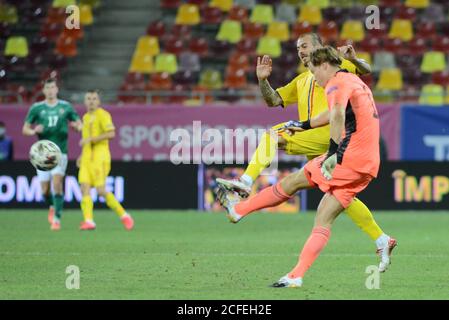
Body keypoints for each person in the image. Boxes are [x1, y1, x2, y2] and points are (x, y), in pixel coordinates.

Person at [217, 46, 397, 287]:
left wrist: (333, 154)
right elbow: (335, 113)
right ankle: (296, 275)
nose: (315, 79)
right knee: (323, 217)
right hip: (368, 162)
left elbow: (336, 117)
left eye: (314, 71)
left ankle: (239, 210)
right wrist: (302, 124)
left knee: (293, 182)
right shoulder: (351, 79)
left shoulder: (335, 83)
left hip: (348, 155)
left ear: (323, 64)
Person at [22, 79, 82, 231]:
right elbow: (25, 129)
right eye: (47, 88)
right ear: (43, 90)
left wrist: (77, 126)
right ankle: (51, 206)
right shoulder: (37, 108)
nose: (50, 90)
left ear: (57, 89)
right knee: (44, 190)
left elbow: (79, 123)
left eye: (52, 87)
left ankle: (57, 219)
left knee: (57, 184)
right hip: (42, 154)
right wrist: (34, 131)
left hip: (60, 152)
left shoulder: (65, 106)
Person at [77, 90, 134, 231]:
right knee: (84, 188)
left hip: (100, 158)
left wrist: (92, 139)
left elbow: (111, 133)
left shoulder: (103, 115)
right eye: (88, 98)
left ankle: (124, 215)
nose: (91, 101)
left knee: (101, 191)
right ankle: (89, 221)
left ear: (99, 101)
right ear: (84, 102)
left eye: (94, 99)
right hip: (86, 158)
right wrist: (81, 155)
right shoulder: (85, 117)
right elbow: (86, 141)